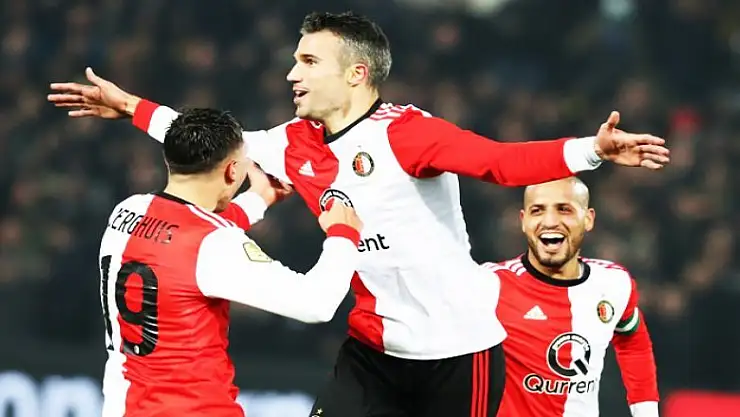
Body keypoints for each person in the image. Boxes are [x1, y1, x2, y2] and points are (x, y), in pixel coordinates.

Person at [48, 11, 669, 417]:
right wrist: (130, 107)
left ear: (357, 74)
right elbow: (216, 145)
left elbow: (500, 162)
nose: (291, 73)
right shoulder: (295, 142)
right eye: (294, 60)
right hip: (372, 350)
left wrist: (591, 151)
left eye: (308, 62)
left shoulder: (407, 133)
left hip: (460, 355)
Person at [97, 107, 363, 416]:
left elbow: (190, 230)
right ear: (232, 171)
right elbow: (316, 304)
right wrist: (344, 233)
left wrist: (260, 198)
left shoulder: (128, 211)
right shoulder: (215, 244)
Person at [481, 177, 659, 417]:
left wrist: (647, 413)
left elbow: (633, 343)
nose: (550, 221)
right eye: (537, 210)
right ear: (523, 221)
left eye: (564, 209)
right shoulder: (490, 284)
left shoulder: (614, 282)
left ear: (588, 219)